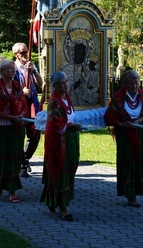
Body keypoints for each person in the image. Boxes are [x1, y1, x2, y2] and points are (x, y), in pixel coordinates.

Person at [104, 69, 143, 207]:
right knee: (128, 162)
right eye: (131, 83)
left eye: (136, 83)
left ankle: (139, 189)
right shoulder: (118, 98)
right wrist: (122, 124)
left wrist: (138, 121)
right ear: (125, 84)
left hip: (141, 133)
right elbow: (110, 117)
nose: (135, 86)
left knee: (141, 160)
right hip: (125, 134)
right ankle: (130, 194)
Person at [40, 71, 82, 221]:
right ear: (56, 86)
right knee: (61, 170)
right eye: (63, 82)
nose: (66, 84)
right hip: (59, 142)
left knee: (70, 169)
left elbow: (70, 116)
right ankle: (63, 206)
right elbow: (55, 124)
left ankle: (54, 199)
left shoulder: (67, 99)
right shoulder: (54, 103)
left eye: (66, 81)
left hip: (71, 139)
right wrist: (70, 126)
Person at [0, 60, 27, 202]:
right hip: (2, 126)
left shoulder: (17, 86)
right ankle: (0, 184)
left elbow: (22, 102)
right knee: (2, 156)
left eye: (14, 69)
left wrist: (21, 115)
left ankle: (12, 189)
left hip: (16, 125)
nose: (13, 71)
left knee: (15, 156)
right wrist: (11, 116)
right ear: (2, 70)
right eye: (10, 69)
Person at [13, 43, 43, 177]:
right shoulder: (12, 68)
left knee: (35, 133)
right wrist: (21, 90)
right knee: (19, 134)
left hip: (31, 103)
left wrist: (34, 71)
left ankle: (24, 159)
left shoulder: (31, 66)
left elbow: (41, 83)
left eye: (26, 52)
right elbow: (9, 87)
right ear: (16, 54)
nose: (25, 55)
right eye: (22, 53)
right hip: (19, 104)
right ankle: (21, 164)